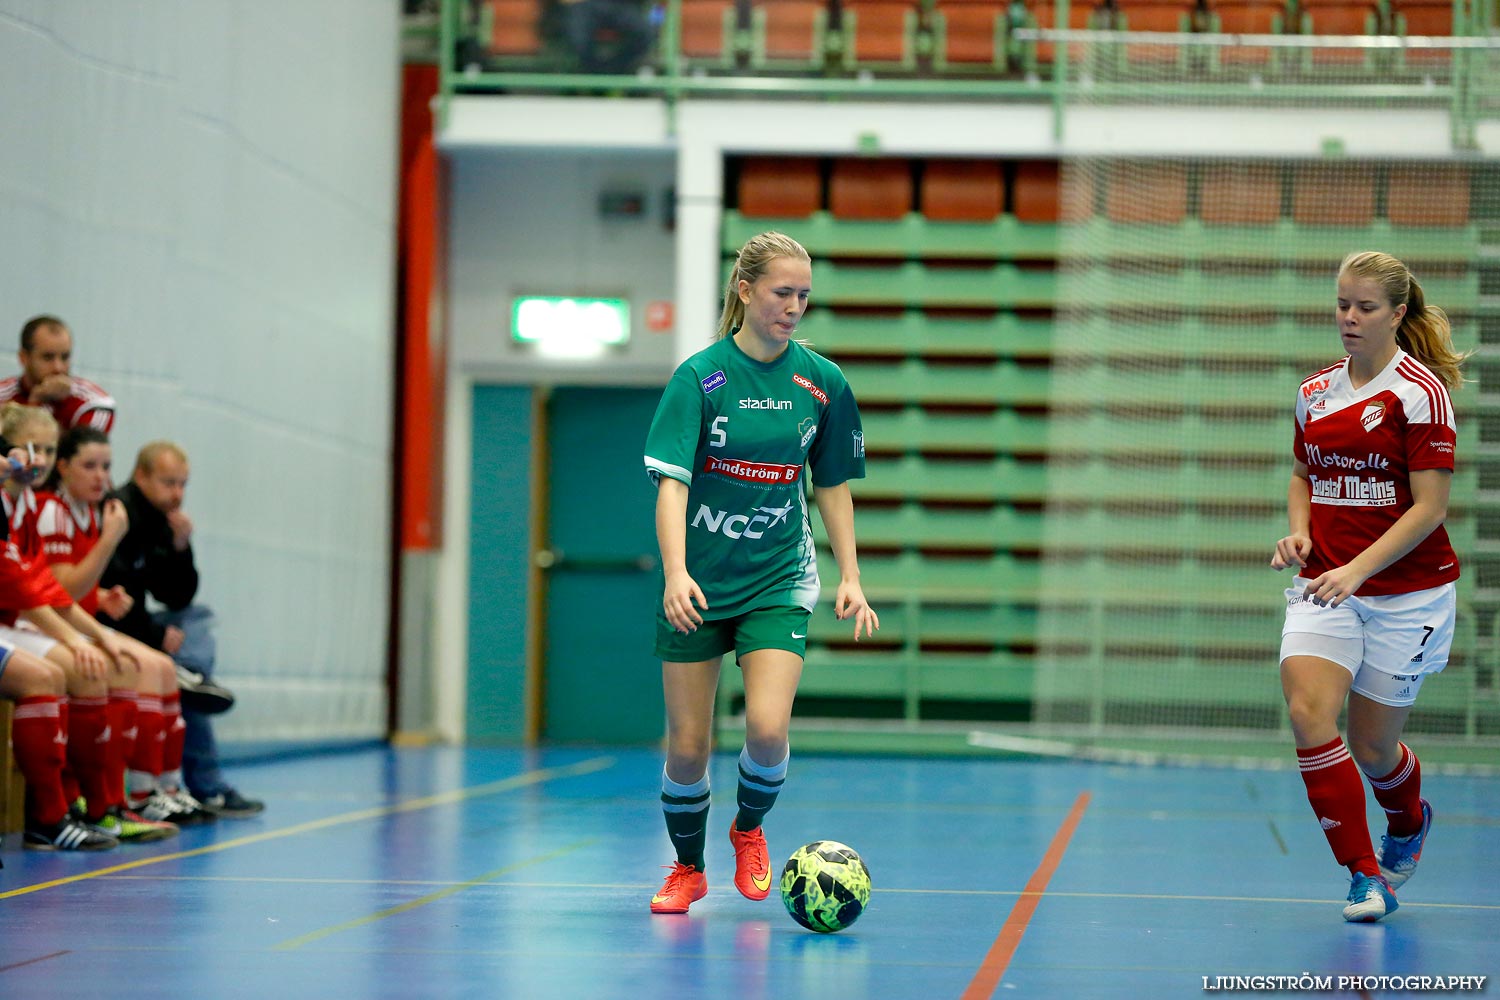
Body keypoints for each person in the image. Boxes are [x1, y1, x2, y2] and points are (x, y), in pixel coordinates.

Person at [641, 231, 879, 914]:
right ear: (745, 290)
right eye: (783, 292)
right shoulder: (700, 379)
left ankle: (749, 830)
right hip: (699, 582)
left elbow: (831, 485)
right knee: (688, 746)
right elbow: (672, 487)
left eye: (804, 295)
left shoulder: (823, 383)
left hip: (778, 575)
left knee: (768, 728)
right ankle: (688, 867)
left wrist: (851, 575)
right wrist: (676, 572)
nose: (795, 306)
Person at [1271, 250, 1469, 923]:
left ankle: (1408, 819)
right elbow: (1304, 473)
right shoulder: (1315, 391)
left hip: (1408, 595)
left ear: (1397, 313)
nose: (1349, 318)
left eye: (1365, 307)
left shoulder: (1419, 393)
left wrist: (1362, 569)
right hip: (1325, 582)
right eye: (1342, 305)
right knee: (1307, 714)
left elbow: (1429, 510)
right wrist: (1300, 534)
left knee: (1374, 747)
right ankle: (1363, 876)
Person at [32, 425, 214, 826]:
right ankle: (105, 800)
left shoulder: (91, 511)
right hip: (41, 622)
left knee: (162, 666)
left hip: (73, 616)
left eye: (106, 467)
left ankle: (159, 789)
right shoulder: (58, 511)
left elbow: (70, 590)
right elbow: (59, 589)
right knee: (131, 666)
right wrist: (110, 541)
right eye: (89, 466)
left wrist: (101, 600)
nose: (100, 476)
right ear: (63, 467)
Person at [97, 441, 263, 817]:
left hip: (139, 621)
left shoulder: (163, 520)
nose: (177, 494)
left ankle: (191, 673)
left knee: (198, 619)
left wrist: (180, 546)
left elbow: (175, 595)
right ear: (141, 476)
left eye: (183, 484)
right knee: (183, 679)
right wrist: (156, 639)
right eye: (169, 483)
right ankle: (207, 785)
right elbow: (114, 594)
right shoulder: (118, 513)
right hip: (111, 621)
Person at [0, 315, 115, 433]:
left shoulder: (93, 403)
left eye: (65, 357)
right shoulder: (2, 397)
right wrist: (36, 402)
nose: (58, 368)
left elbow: (78, 451)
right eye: (47, 357)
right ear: (23, 358)